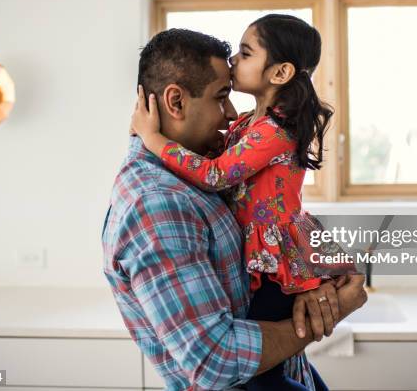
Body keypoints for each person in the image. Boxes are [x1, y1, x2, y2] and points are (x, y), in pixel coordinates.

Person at [103, 28, 367, 391]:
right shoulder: (158, 204)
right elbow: (217, 361)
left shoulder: (201, 164)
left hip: (290, 369)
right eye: (221, 96)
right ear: (176, 102)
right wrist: (332, 310)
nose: (230, 114)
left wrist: (301, 283)